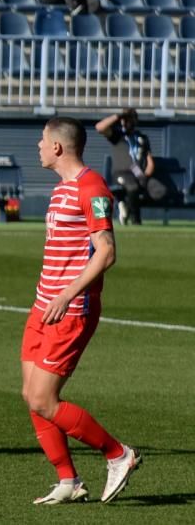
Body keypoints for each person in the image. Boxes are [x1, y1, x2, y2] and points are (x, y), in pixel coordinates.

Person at [22, 117, 141, 505]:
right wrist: (49, 297)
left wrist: (67, 295)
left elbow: (106, 251)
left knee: (44, 399)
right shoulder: (60, 191)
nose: (38, 146)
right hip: (44, 306)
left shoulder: (91, 188)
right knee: (31, 394)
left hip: (70, 309)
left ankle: (118, 454)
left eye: (42, 140)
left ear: (57, 147)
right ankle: (69, 480)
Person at [95, 108, 166, 225]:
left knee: (159, 191)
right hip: (122, 173)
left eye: (130, 120)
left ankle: (127, 204)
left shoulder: (141, 138)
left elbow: (149, 160)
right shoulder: (117, 135)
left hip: (138, 173)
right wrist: (117, 116)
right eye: (125, 120)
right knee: (133, 187)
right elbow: (99, 127)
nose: (127, 123)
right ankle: (135, 220)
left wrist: (146, 175)